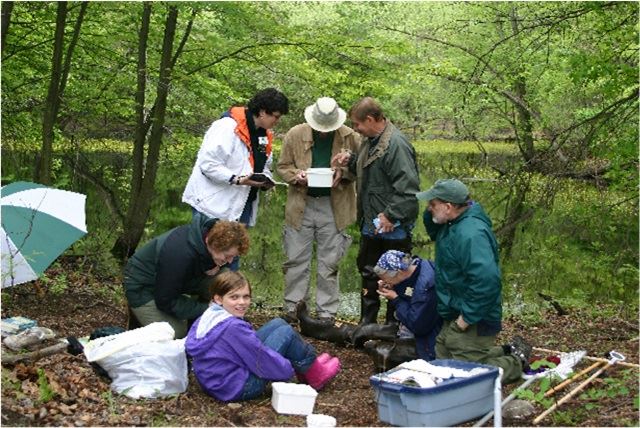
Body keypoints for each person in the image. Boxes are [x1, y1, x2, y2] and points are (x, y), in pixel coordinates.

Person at [418, 178, 531, 383]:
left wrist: (466, 319)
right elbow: (433, 229)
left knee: (468, 374)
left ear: (449, 206)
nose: (429, 209)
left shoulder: (471, 234)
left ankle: (517, 361)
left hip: (475, 315)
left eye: (432, 205)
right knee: (443, 360)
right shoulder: (450, 223)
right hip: (455, 310)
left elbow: (487, 282)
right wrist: (432, 210)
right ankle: (505, 349)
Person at [185, 271, 341, 402]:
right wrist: (287, 368)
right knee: (286, 333)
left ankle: (308, 367)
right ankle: (315, 375)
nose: (242, 302)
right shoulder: (232, 327)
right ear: (218, 298)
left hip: (216, 380)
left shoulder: (211, 315)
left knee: (278, 323)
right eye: (234, 297)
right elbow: (260, 358)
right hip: (235, 387)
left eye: (246, 296)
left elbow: (245, 347)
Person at [331, 97, 421, 325]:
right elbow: (369, 169)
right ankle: (367, 325)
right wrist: (349, 160)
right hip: (372, 224)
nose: (355, 129)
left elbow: (408, 189)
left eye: (357, 124)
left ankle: (393, 326)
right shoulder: (370, 140)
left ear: (370, 120)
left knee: (396, 276)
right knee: (369, 274)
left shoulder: (396, 145)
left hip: (394, 228)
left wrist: (391, 215)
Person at [182, 88, 289, 269]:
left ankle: (227, 294)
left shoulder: (265, 136)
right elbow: (208, 165)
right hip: (212, 204)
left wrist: (265, 180)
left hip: (242, 205)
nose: (277, 122)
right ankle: (199, 296)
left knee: (232, 256)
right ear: (262, 112)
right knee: (205, 258)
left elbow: (264, 167)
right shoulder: (226, 127)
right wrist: (237, 179)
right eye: (276, 117)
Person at [276, 97, 360, 324]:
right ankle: (294, 308)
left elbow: (361, 169)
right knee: (295, 259)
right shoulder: (295, 134)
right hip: (301, 205)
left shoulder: (350, 137)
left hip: (335, 206)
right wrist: (297, 176)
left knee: (329, 261)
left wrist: (343, 173)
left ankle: (326, 313)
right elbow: (282, 167)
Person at [123, 214, 250, 339]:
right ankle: (138, 319)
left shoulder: (208, 238)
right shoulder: (179, 254)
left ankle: (208, 318)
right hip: (144, 287)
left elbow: (206, 261)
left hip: (175, 280)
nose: (229, 261)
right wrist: (208, 308)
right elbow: (166, 301)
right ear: (214, 244)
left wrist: (215, 264)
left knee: (225, 280)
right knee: (175, 333)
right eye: (227, 256)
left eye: (233, 257)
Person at [373, 250, 443, 360]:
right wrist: (392, 287)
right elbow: (408, 292)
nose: (383, 281)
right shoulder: (416, 266)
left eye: (386, 279)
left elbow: (417, 325)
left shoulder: (425, 288)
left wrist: (396, 299)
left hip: (431, 336)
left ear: (399, 272)